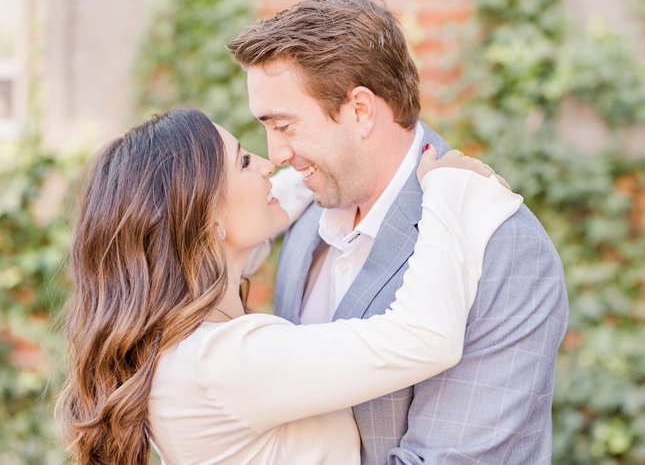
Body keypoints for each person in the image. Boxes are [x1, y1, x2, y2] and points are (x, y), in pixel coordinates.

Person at [56, 108, 520, 465]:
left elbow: (252, 227)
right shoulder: (224, 364)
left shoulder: (179, 348)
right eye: (243, 161)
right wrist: (448, 192)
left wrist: (315, 175)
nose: (266, 162)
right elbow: (424, 339)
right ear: (207, 220)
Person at [227, 0, 569, 464]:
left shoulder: (504, 248)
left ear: (361, 111)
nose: (277, 154)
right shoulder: (309, 210)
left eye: (285, 126)